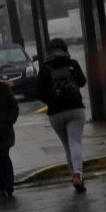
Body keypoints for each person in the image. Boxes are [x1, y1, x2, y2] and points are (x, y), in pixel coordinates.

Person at [37, 38, 88, 192]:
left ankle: (74, 175)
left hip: (55, 113)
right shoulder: (72, 63)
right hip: (75, 110)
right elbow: (83, 82)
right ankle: (78, 174)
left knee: (67, 146)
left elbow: (39, 93)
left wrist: (52, 101)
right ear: (65, 49)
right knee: (75, 143)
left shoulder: (45, 68)